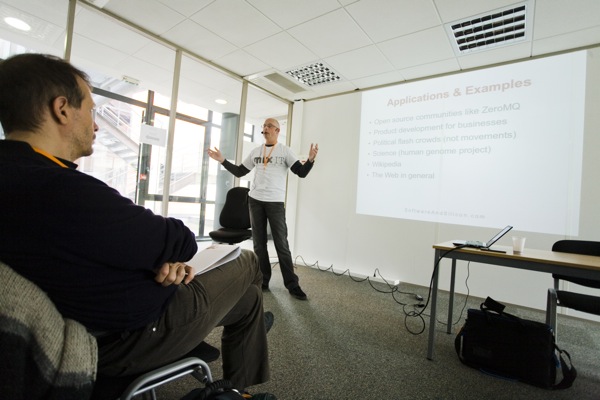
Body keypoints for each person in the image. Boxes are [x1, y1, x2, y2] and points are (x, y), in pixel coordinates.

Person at [0, 53, 273, 396]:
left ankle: (237, 386)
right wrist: (164, 257)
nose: (96, 125)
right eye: (91, 111)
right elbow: (182, 240)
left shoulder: (14, 175)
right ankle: (235, 359)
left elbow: (85, 248)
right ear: (62, 109)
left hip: (90, 322)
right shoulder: (62, 189)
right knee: (247, 261)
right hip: (133, 334)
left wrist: (158, 259)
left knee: (248, 299)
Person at [208, 118, 318, 300]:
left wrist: (311, 160)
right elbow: (240, 171)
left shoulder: (285, 151)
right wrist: (222, 161)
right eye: (264, 126)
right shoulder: (256, 151)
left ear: (277, 130)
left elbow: (301, 172)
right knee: (259, 244)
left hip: (275, 202)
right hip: (255, 201)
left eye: (269, 126)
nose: (265, 128)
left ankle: (292, 284)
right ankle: (263, 280)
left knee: (281, 244)